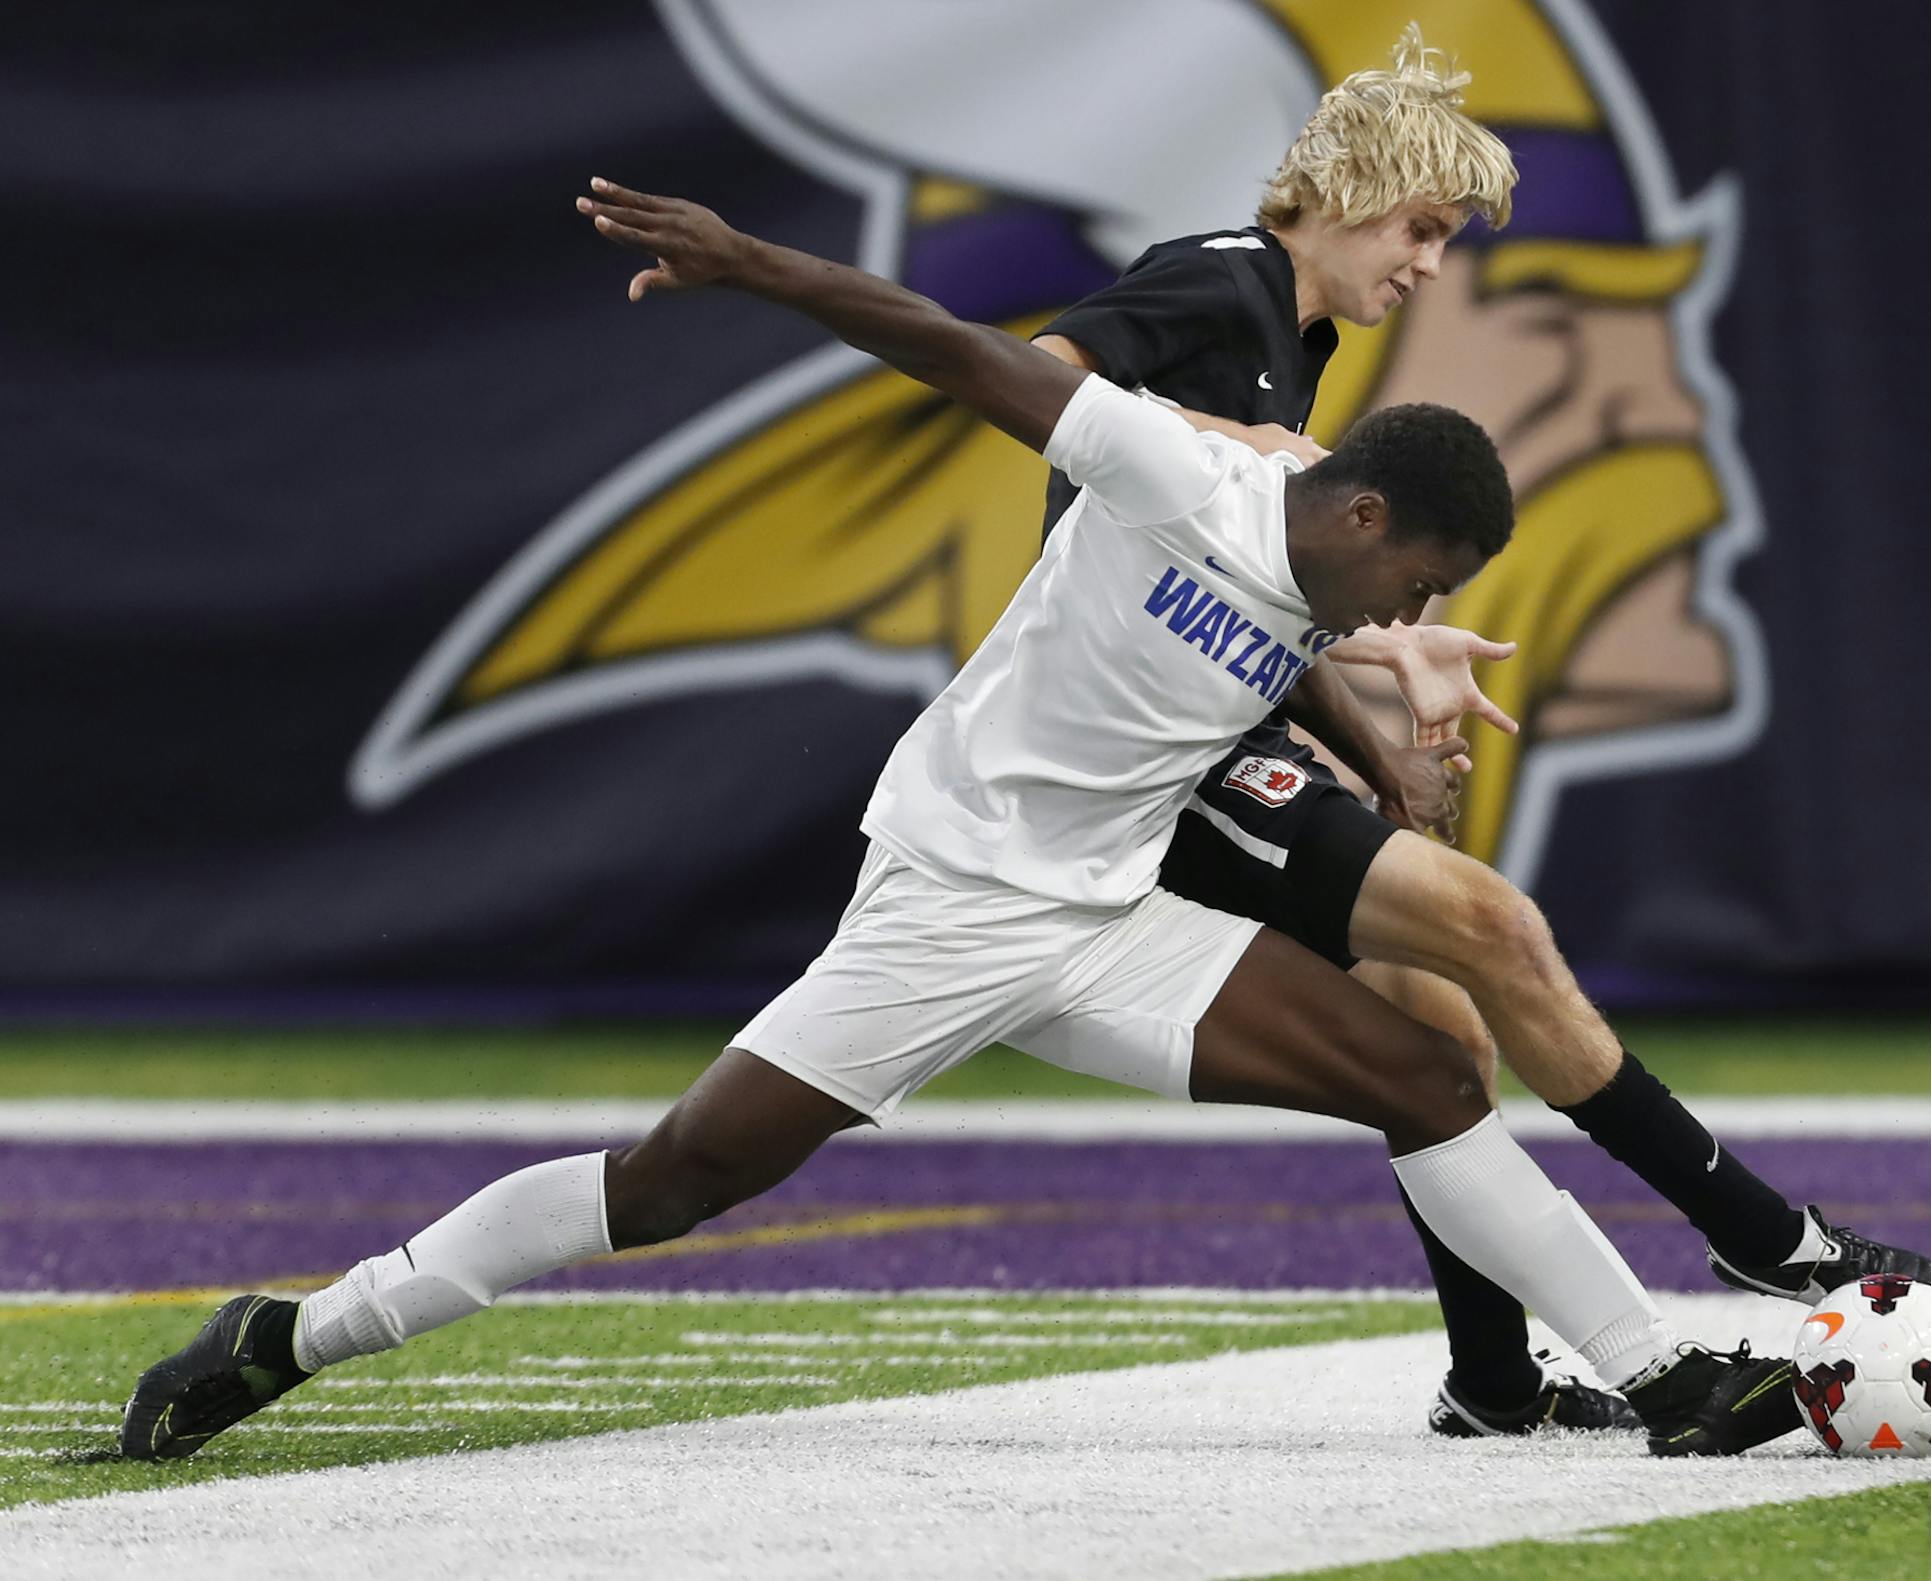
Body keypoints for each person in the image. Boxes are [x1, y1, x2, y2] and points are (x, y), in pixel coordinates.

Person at [119, 176, 1802, 1465]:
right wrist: (753, 261)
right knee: (676, 1179)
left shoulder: (1318, 568)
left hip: (1111, 915)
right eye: (1419, 580)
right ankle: (293, 1332)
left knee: (1425, 1074)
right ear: (1362, 513)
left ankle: (1663, 1376)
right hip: (953, 899)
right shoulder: (1177, 475)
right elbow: (952, 345)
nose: (1412, 613)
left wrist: (1382, 739)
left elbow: (1277, 650)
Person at [1028, 27, 1931, 1437]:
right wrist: (1263, 453)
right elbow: (1042, 380)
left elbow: (1226, 570)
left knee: (1443, 1025)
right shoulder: (1221, 275)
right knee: (1495, 929)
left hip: (1199, 718)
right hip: (1139, 752)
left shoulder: (1297, 336)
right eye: (1423, 226)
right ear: (1345, 191)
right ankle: (1764, 1233)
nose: (1431, 265)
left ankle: (1495, 1382)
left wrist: (1378, 669)